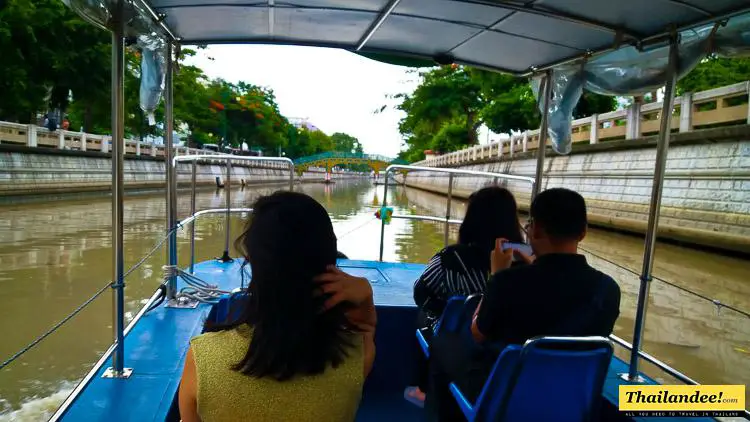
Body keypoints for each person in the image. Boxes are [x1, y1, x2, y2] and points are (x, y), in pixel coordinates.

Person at [425, 188, 621, 421]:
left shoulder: (508, 281)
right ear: (583, 232)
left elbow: (478, 334)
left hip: (506, 390)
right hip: (568, 393)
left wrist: (496, 275)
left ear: (536, 228)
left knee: (443, 344)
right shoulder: (608, 288)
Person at [179, 191, 376, 422]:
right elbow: (365, 326)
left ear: (252, 261)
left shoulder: (203, 359)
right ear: (330, 261)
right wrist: (366, 296)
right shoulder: (354, 357)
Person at [406, 186, 525, 406]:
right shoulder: (527, 260)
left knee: (425, 315)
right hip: (508, 346)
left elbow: (420, 293)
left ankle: (424, 389)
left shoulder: (450, 259)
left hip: (466, 344)